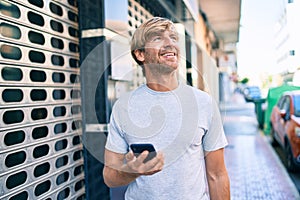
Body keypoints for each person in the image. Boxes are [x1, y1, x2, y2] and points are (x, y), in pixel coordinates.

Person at [103, 17, 230, 200]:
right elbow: (109, 177)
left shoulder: (204, 103)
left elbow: (217, 175)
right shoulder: (123, 107)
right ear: (140, 54)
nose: (170, 43)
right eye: (158, 38)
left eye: (173, 37)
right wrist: (131, 172)